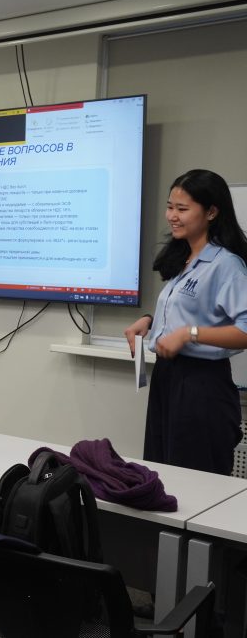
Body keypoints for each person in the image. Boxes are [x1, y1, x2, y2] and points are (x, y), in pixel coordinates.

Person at [124, 169, 247, 475]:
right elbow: (193, 309)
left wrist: (190, 334)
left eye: (182, 209)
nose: (172, 216)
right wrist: (149, 320)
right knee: (162, 474)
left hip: (202, 386)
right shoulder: (185, 258)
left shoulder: (226, 265)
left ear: (211, 212)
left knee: (194, 481)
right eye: (170, 207)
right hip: (167, 378)